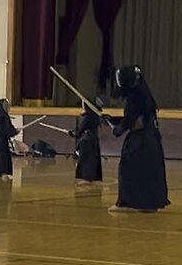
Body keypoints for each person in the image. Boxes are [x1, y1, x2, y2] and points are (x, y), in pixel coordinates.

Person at [109, 65, 169, 213]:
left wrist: (119, 129)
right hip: (152, 140)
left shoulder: (135, 98)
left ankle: (128, 203)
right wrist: (114, 121)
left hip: (140, 142)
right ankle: (149, 203)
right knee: (149, 172)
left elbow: (135, 122)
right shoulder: (144, 95)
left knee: (129, 170)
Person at [69, 98, 103, 186]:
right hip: (93, 140)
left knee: (86, 160)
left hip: (87, 141)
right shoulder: (95, 116)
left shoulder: (89, 117)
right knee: (93, 160)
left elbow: (80, 131)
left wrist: (73, 133)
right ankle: (94, 178)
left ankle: (86, 179)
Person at [0, 99, 17, 179]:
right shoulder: (2, 117)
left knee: (1, 155)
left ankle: (0, 172)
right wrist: (14, 132)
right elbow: (5, 129)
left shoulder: (0, 116)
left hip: (1, 140)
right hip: (0, 140)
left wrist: (14, 130)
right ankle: (1, 172)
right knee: (1, 156)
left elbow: (7, 128)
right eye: (6, 105)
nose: (8, 107)